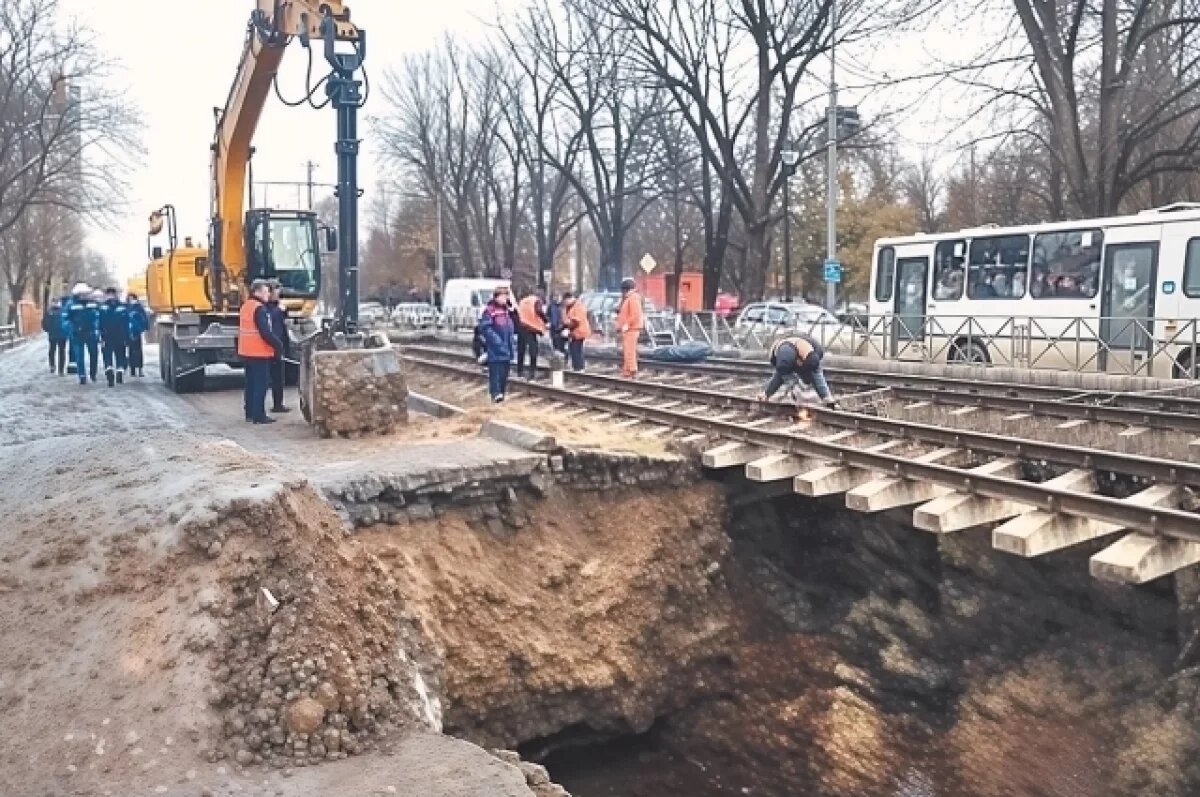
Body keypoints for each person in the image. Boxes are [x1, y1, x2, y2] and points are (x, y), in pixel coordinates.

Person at [238, 279, 285, 424]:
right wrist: (278, 345)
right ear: (257, 292)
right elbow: (265, 332)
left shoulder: (246, 306)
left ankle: (250, 412)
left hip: (247, 351)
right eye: (266, 291)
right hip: (259, 351)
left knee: (250, 383)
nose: (268, 294)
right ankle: (259, 415)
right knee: (261, 384)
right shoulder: (259, 308)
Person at [756, 333, 838, 408]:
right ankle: (795, 393)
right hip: (789, 356)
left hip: (804, 356)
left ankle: (826, 398)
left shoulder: (813, 355)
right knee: (787, 375)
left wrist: (826, 397)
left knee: (815, 375)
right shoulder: (785, 354)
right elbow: (779, 375)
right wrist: (767, 393)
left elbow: (817, 374)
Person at [479, 285, 516, 402]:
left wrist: (514, 308)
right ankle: (495, 395)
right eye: (503, 296)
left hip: (507, 347)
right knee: (495, 373)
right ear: (497, 297)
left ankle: (501, 396)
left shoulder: (507, 310)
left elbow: (514, 325)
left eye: (507, 296)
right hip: (495, 348)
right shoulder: (490, 310)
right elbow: (486, 328)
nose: (505, 298)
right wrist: (497, 342)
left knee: (504, 374)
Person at [61, 283, 100, 385]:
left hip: (91, 332)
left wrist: (97, 328)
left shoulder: (93, 303)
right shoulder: (71, 304)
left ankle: (93, 373)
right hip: (77, 333)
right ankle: (82, 375)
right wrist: (71, 329)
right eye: (82, 293)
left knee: (94, 353)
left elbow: (98, 316)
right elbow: (65, 319)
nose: (84, 295)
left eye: (86, 293)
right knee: (79, 355)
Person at [265, 281, 292, 413]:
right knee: (267, 377)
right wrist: (279, 310)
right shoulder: (265, 306)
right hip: (270, 345)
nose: (278, 294)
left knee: (279, 377)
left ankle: (278, 403)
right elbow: (270, 320)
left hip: (280, 343)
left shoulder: (277, 306)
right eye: (276, 291)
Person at [98, 287, 130, 387]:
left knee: (107, 355)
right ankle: (119, 371)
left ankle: (109, 370)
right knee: (120, 355)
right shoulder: (122, 307)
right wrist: (127, 336)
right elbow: (126, 322)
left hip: (106, 335)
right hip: (120, 335)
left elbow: (99, 322)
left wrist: (99, 334)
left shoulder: (102, 307)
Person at [515, 287, 548, 379]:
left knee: (521, 350)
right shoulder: (536, 301)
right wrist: (546, 321)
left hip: (521, 327)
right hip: (531, 328)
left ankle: (519, 371)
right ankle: (532, 372)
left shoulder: (522, 301)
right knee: (533, 350)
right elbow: (539, 311)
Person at [614, 277, 644, 378]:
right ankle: (627, 371)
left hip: (631, 328)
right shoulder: (629, 298)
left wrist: (627, 324)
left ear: (626, 289)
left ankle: (632, 370)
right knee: (627, 350)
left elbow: (635, 315)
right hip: (629, 328)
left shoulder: (633, 298)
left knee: (629, 350)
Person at [561, 292, 591, 372]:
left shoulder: (578, 306)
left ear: (569, 299)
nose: (564, 303)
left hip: (579, 331)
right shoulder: (569, 307)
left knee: (576, 349)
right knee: (573, 349)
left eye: (565, 301)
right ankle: (577, 367)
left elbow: (576, 321)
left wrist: (568, 329)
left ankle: (579, 367)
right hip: (573, 331)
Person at [126, 292, 149, 377]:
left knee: (138, 350)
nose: (131, 300)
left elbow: (144, 318)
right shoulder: (126, 307)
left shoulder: (139, 307)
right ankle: (132, 369)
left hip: (137, 331)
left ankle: (140, 369)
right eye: (129, 298)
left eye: (132, 298)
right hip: (128, 331)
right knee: (131, 350)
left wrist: (143, 328)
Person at [42, 299, 67, 375]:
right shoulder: (49, 312)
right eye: (54, 302)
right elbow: (44, 322)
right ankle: (53, 366)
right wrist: (48, 329)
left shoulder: (63, 311)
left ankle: (61, 369)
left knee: (61, 351)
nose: (56, 304)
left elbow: (67, 322)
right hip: (54, 334)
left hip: (61, 334)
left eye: (57, 302)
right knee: (53, 350)